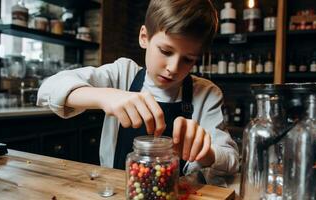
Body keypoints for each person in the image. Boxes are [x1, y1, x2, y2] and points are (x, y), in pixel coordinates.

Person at [37, 0, 239, 186]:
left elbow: (231, 161)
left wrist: (207, 153)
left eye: (188, 59)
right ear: (144, 37)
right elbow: (48, 89)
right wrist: (104, 95)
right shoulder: (122, 74)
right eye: (166, 51)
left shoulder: (206, 93)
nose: (173, 67)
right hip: (117, 190)